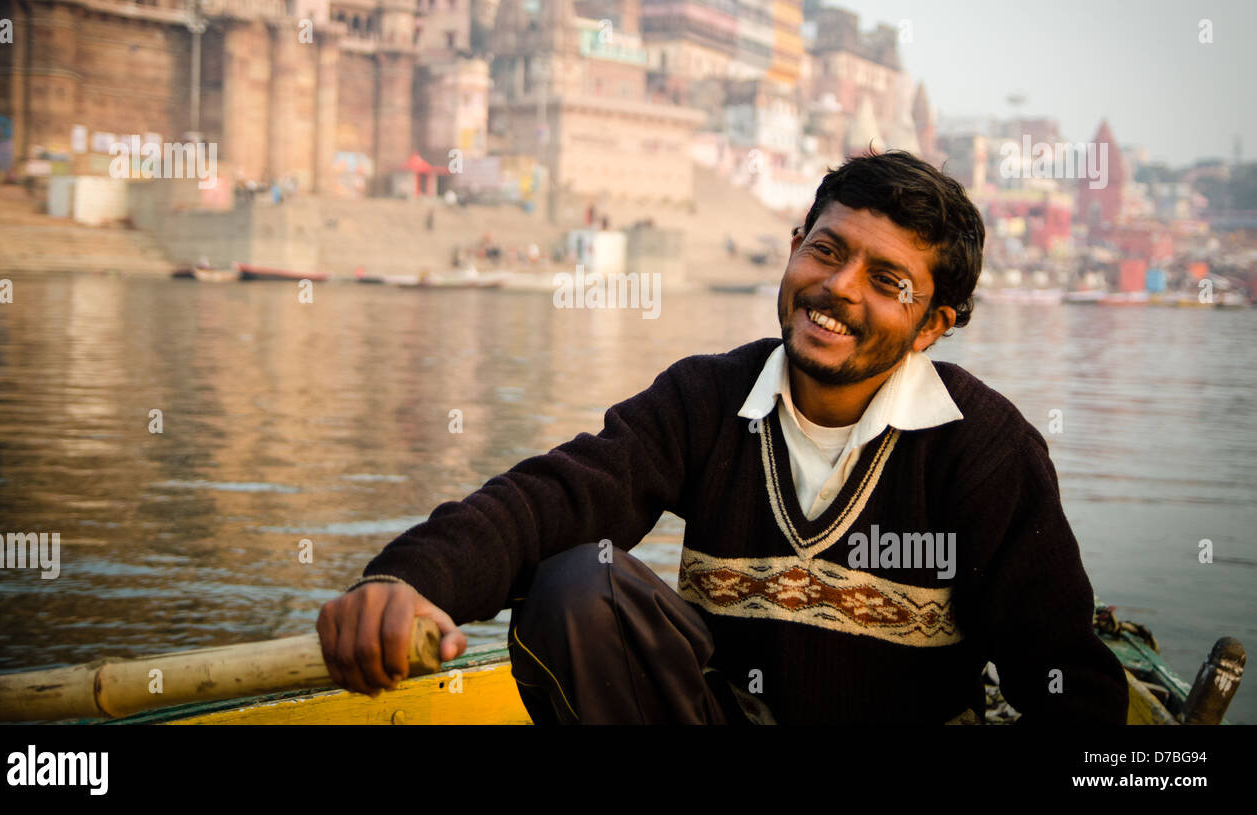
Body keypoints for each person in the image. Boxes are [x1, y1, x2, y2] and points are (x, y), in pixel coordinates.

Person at [317, 150, 1129, 725]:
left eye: (886, 281)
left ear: (932, 326)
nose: (837, 288)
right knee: (578, 583)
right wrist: (405, 580)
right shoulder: (706, 398)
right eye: (826, 249)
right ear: (794, 251)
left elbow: (1066, 684)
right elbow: (555, 498)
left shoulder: (981, 449)